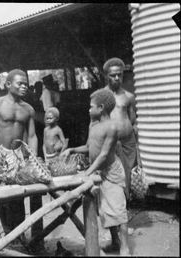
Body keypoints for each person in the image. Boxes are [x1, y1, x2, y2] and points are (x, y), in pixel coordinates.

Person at [60, 89, 129, 255]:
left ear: (101, 108)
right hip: (98, 170)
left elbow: (104, 154)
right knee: (105, 209)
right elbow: (89, 147)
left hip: (111, 171)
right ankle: (115, 241)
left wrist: (87, 172)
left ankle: (125, 247)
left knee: (118, 211)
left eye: (91, 107)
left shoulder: (112, 126)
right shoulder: (93, 125)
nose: (88, 110)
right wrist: (72, 149)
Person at [0, 69, 42, 249]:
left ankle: (23, 235)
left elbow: (32, 136)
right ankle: (9, 234)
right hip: (2, 154)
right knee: (5, 196)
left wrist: (33, 158)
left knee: (22, 195)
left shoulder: (28, 109)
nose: (24, 87)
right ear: (8, 85)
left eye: (26, 84)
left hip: (19, 155)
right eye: (20, 84)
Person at [103, 57, 137, 199]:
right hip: (112, 143)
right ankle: (118, 205)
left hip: (128, 143)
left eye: (119, 74)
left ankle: (127, 203)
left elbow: (133, 121)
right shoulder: (101, 97)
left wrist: (138, 145)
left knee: (129, 173)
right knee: (115, 174)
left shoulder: (129, 96)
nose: (117, 78)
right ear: (106, 76)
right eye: (113, 75)